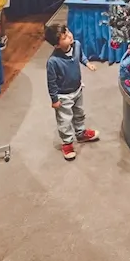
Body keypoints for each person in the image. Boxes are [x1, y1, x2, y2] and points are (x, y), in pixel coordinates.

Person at [44, 23, 100, 161]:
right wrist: (54, 99)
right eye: (64, 37)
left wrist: (87, 63)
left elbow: (81, 56)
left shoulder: (77, 45)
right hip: (63, 95)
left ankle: (81, 133)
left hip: (77, 88)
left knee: (79, 113)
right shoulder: (53, 62)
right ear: (57, 45)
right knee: (64, 119)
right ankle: (67, 143)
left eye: (68, 31)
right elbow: (51, 82)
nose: (69, 35)